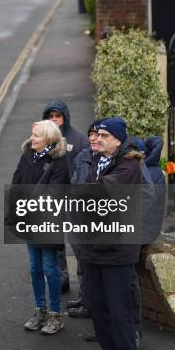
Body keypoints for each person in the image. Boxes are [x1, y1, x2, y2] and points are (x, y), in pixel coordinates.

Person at [79, 117, 143, 350]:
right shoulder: (98, 161)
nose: (96, 139)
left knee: (120, 310)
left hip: (118, 249)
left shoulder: (129, 165)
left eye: (103, 135)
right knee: (99, 306)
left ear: (117, 139)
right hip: (94, 247)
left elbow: (104, 192)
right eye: (94, 134)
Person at [11, 119, 70, 335]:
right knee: (34, 268)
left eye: (36, 135)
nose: (32, 138)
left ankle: (55, 315)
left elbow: (55, 194)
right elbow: (17, 181)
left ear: (49, 139)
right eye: (32, 134)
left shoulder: (60, 161)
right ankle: (40, 310)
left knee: (49, 269)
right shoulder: (28, 155)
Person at [42, 100, 89, 293]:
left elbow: (85, 169)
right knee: (55, 244)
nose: (54, 120)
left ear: (65, 117)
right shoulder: (43, 140)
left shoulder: (79, 139)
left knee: (78, 245)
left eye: (58, 116)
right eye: (50, 117)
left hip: (73, 200)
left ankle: (85, 289)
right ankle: (61, 282)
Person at [68, 120, 102, 318]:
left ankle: (92, 306)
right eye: (90, 134)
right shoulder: (82, 156)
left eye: (97, 134)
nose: (93, 138)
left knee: (92, 268)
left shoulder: (106, 161)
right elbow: (74, 182)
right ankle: (85, 299)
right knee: (82, 265)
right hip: (78, 221)